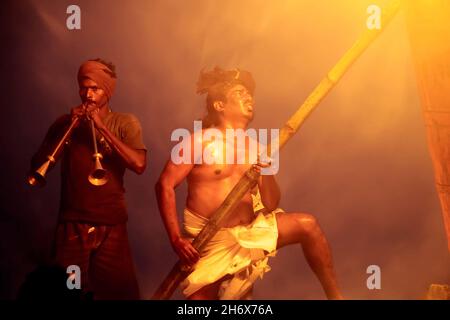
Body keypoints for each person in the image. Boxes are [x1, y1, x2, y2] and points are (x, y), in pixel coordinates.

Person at [156, 67, 343, 300]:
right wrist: (175, 238)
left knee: (307, 225)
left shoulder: (257, 149)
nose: (248, 97)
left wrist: (264, 172)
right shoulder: (198, 141)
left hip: (250, 232)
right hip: (209, 243)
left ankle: (337, 298)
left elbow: (271, 203)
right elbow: (164, 185)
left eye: (249, 94)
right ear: (219, 105)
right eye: (239, 92)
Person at [29, 58, 147, 299]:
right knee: (66, 293)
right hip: (72, 224)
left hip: (112, 224)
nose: (88, 94)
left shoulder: (125, 122)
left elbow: (139, 164)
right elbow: (37, 167)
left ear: (108, 91)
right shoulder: (65, 122)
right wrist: (67, 128)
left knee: (121, 295)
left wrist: (101, 127)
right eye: (84, 87)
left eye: (96, 88)